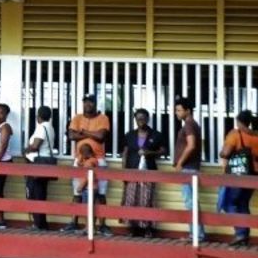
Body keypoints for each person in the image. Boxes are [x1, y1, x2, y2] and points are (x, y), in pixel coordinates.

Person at [63, 93, 113, 235]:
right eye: (85, 102)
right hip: (79, 161)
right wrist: (92, 134)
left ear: (95, 103)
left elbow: (101, 136)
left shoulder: (103, 118)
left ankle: (102, 224)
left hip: (99, 160)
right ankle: (74, 222)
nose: (88, 104)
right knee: (77, 192)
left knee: (100, 194)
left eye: (91, 102)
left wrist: (83, 132)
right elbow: (72, 136)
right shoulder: (77, 118)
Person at [119, 108, 166, 238]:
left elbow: (163, 151)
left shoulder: (156, 135)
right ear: (135, 119)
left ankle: (147, 228)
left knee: (146, 199)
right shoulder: (130, 135)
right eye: (138, 118)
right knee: (131, 199)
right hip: (132, 171)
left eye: (143, 118)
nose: (141, 121)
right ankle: (132, 228)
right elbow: (125, 154)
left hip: (148, 171)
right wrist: (123, 172)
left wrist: (150, 152)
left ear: (147, 119)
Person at [220, 110, 258, 246]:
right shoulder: (256, 136)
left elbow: (225, 153)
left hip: (239, 175)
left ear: (240, 122)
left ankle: (241, 233)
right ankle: (245, 235)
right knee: (242, 203)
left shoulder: (235, 134)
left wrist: (222, 151)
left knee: (228, 203)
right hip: (254, 174)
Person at [172, 95, 205, 241]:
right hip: (190, 168)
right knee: (192, 201)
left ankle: (196, 235)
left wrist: (179, 163)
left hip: (188, 168)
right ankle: (197, 234)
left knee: (190, 202)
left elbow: (191, 146)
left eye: (179, 110)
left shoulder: (189, 125)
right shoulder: (191, 124)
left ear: (188, 111)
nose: (176, 113)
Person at [24, 106, 56, 231]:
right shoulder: (50, 127)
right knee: (41, 194)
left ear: (38, 117)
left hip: (37, 165)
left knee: (35, 194)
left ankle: (37, 224)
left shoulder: (42, 127)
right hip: (45, 164)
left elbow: (36, 146)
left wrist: (25, 149)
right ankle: (42, 223)